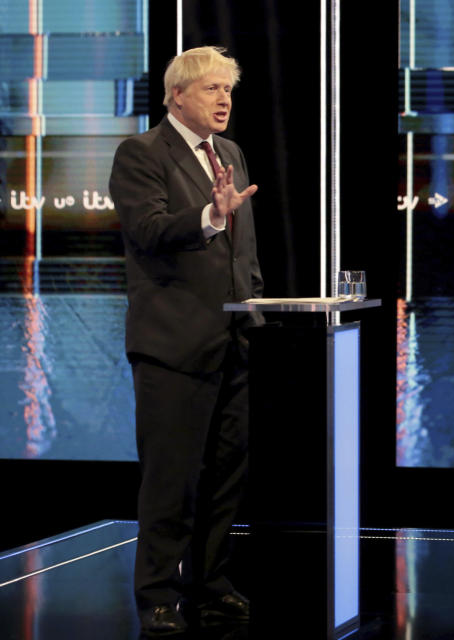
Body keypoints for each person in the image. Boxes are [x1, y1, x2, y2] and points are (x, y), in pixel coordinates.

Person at [110, 46, 263, 635]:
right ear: (177, 95)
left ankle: (211, 585)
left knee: (226, 477)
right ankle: (157, 596)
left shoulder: (231, 153)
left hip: (233, 341)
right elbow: (147, 230)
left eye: (229, 89)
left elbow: (241, 252)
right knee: (171, 481)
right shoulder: (141, 153)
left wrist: (253, 298)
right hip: (173, 346)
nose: (224, 100)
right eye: (212, 90)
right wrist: (209, 216)